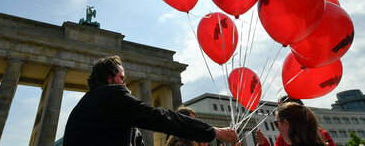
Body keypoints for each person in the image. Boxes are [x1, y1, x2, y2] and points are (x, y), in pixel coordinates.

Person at [63, 55, 239, 146]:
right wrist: (211, 130)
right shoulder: (112, 95)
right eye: (122, 78)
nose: (125, 84)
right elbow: (159, 116)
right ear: (109, 79)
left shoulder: (85, 106)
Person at [256, 96, 335, 146]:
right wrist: (263, 144)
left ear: (286, 123)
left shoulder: (320, 133)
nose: (278, 129)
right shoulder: (318, 133)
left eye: (277, 123)